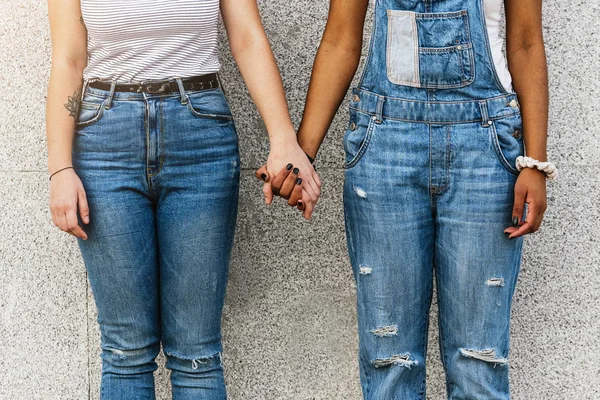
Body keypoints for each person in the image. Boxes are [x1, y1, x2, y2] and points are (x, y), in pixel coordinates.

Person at [258, 0, 556, 398]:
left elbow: (525, 43)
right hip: (385, 148)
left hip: (484, 151)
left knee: (478, 365)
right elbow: (340, 41)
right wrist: (302, 157)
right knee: (389, 364)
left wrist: (534, 163)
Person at [46, 0, 320, 398]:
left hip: (200, 138)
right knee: (125, 354)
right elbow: (69, 58)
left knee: (197, 354)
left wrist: (283, 139)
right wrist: (59, 169)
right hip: (105, 145)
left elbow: (246, 37)